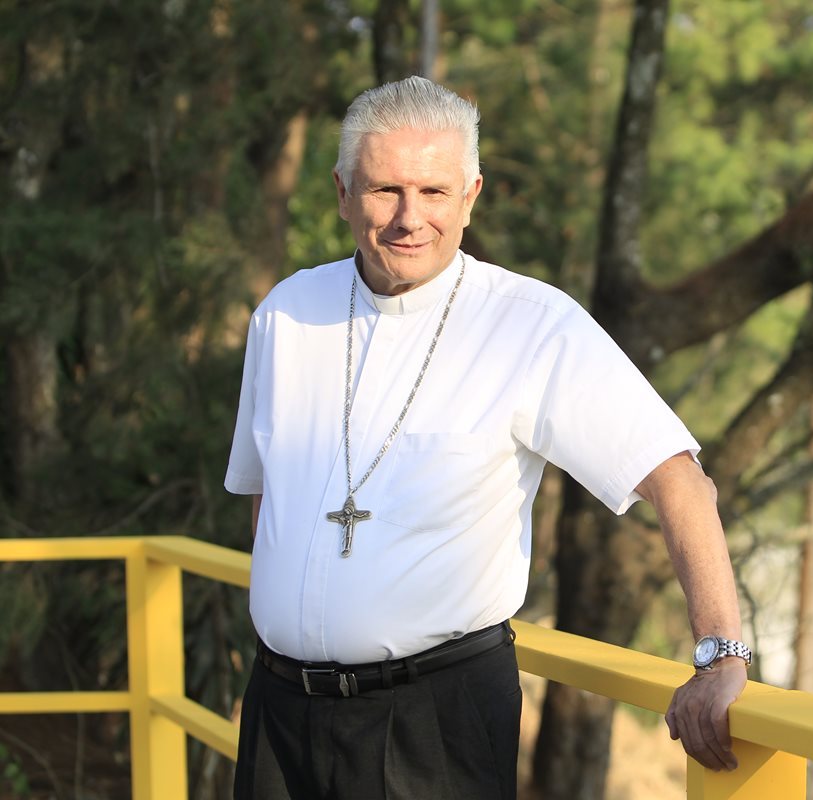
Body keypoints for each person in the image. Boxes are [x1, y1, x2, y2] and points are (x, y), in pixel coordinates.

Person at [224, 75, 749, 800]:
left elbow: (678, 478)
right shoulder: (285, 313)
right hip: (280, 713)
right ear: (341, 192)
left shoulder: (532, 325)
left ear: (470, 196)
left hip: (434, 722)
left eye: (433, 193)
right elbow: (266, 500)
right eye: (384, 191)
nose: (409, 218)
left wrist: (720, 654)